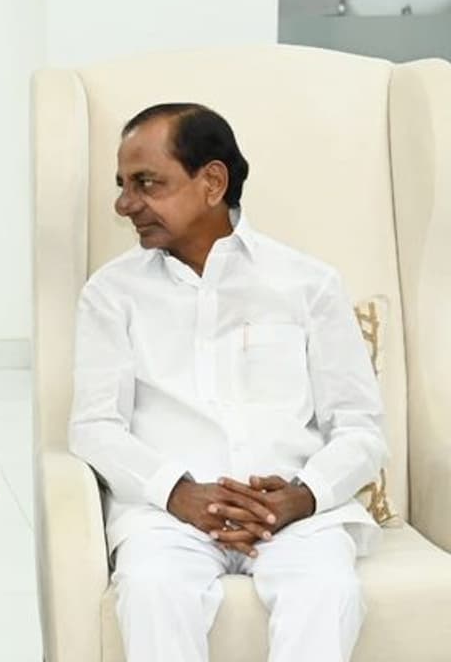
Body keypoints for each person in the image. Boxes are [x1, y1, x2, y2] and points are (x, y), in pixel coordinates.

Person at [69, 102, 386, 662]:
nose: (125, 204)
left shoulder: (307, 283)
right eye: (122, 185)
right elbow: (94, 426)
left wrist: (303, 495)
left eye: (146, 183)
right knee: (152, 591)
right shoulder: (111, 293)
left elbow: (360, 427)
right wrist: (179, 492)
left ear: (212, 182)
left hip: (295, 516)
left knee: (326, 592)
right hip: (168, 517)